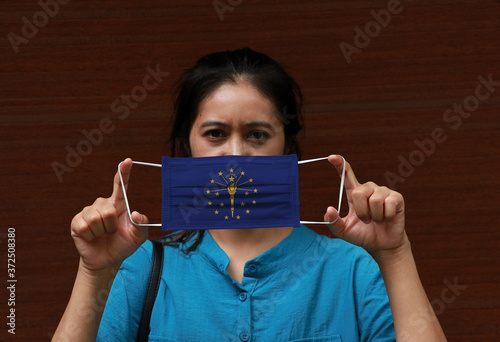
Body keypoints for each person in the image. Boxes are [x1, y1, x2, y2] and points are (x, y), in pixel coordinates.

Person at [54, 48, 446, 341]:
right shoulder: (142, 269)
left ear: (287, 147)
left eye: (257, 134)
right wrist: (94, 272)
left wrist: (395, 255)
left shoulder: (353, 269)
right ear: (186, 145)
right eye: (215, 134)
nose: (236, 154)